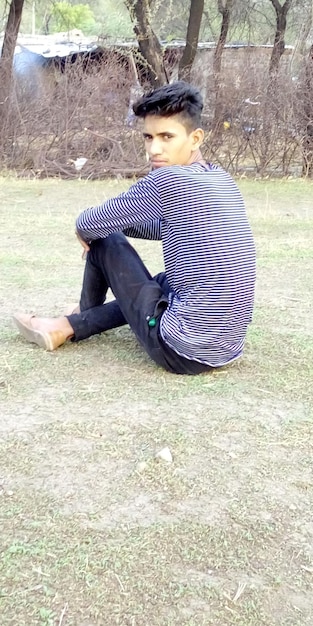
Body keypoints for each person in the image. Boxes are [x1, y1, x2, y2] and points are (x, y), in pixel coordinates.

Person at [13, 81, 256, 375]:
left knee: (106, 239)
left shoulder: (168, 179)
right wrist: (120, 220)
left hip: (179, 349)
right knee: (165, 281)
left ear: (195, 138)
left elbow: (87, 223)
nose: (155, 148)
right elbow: (160, 228)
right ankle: (77, 320)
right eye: (148, 137)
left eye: (167, 136)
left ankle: (69, 324)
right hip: (225, 348)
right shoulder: (221, 179)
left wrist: (96, 230)